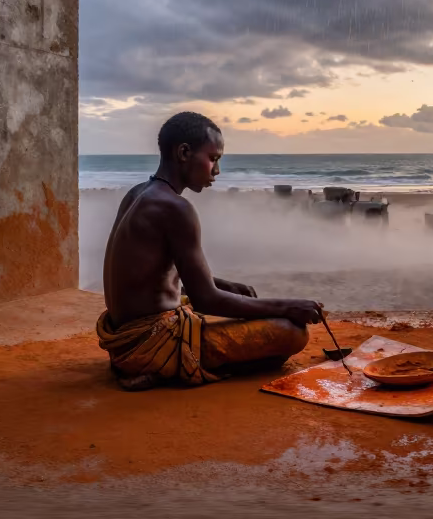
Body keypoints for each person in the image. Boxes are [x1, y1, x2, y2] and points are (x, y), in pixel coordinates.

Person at [97, 112, 324, 391]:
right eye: (213, 158)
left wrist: (221, 284)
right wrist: (289, 306)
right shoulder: (175, 208)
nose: (216, 171)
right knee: (292, 333)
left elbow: (153, 273)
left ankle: (159, 365)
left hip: (124, 336)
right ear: (184, 153)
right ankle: (164, 367)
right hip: (150, 341)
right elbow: (206, 300)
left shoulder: (138, 193)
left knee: (236, 303)